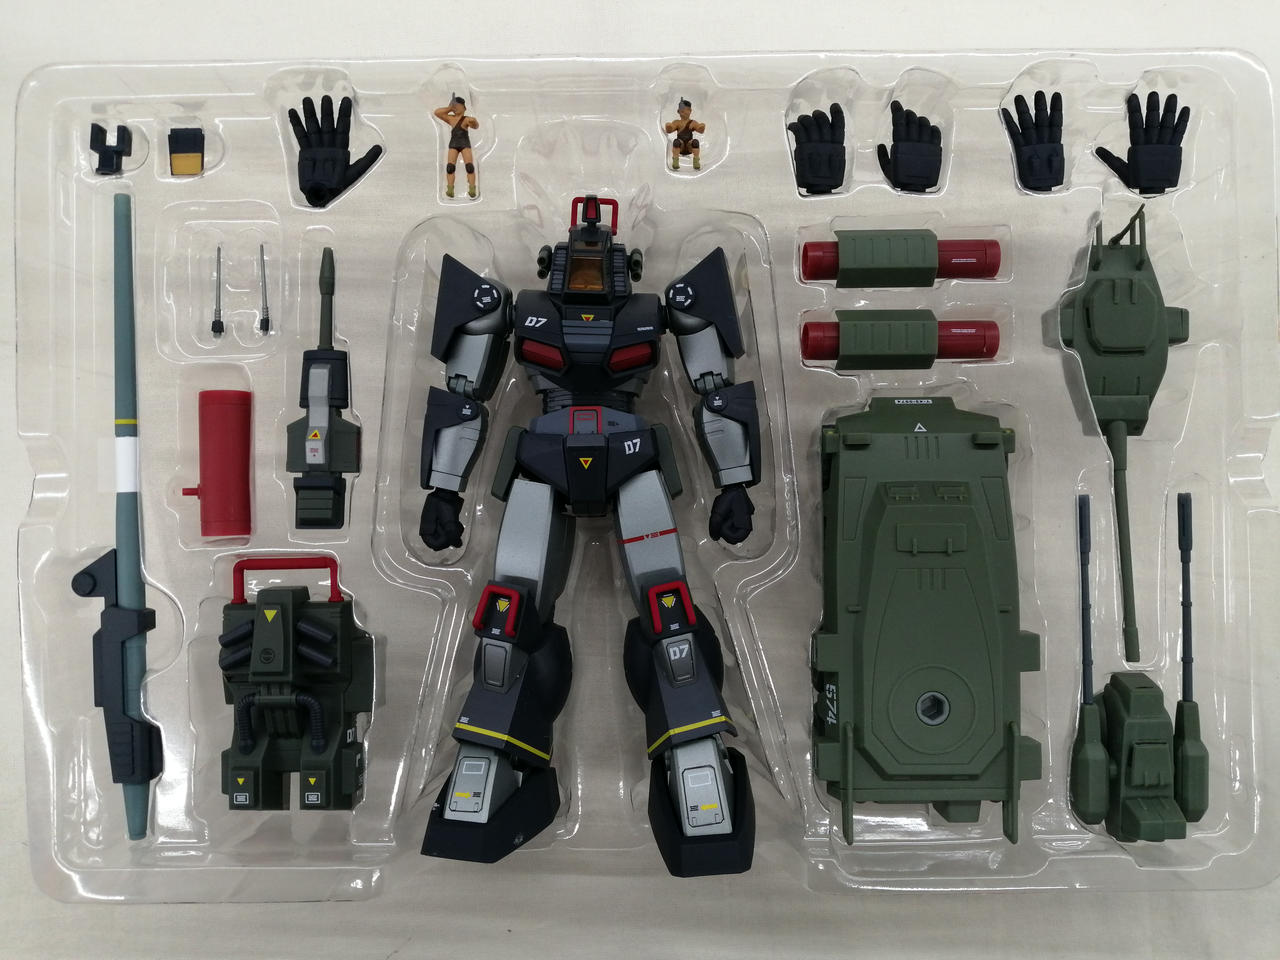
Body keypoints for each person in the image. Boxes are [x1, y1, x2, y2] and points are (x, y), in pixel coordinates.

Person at [434, 95, 479, 198]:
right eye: (454, 106)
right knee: (450, 167)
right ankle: (450, 189)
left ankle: (472, 188)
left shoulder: (467, 119)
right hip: (453, 144)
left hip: (465, 144)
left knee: (470, 167)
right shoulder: (451, 118)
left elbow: (475, 126)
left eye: (458, 106)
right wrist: (449, 108)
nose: (456, 108)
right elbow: (437, 112)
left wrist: (474, 122)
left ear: (464, 107)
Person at [664, 98, 705, 171]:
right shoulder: (677, 122)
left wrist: (701, 127)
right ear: (678, 111)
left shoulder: (693, 122)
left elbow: (700, 129)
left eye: (687, 110)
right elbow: (670, 129)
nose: (684, 112)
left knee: (695, 142)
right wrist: (669, 127)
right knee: (676, 142)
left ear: (690, 111)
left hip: (689, 146)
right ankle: (675, 161)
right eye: (682, 110)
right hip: (681, 146)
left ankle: (696, 161)